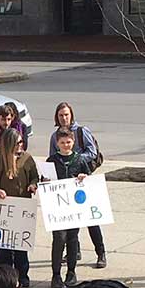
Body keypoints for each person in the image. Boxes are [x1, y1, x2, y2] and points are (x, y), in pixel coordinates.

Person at [49, 101, 106, 268]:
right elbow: (52, 157)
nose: (64, 118)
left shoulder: (81, 131)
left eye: (66, 114)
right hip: (64, 185)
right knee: (69, 221)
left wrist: (76, 159)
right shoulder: (55, 136)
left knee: (90, 219)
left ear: (71, 115)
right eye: (61, 115)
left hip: (81, 179)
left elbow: (92, 152)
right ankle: (75, 251)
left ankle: (101, 252)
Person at [0, 128, 39, 288]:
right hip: (3, 209)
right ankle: (6, 279)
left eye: (21, 141)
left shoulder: (27, 158)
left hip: (22, 208)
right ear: (9, 143)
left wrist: (33, 185)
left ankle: (23, 276)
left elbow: (35, 176)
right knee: (4, 246)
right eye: (17, 142)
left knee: (21, 246)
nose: (21, 145)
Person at [47, 129, 98, 288]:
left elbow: (88, 180)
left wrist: (84, 178)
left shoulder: (79, 160)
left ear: (73, 142)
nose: (65, 145)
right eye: (62, 143)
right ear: (57, 144)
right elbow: (45, 180)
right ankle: (56, 274)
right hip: (58, 207)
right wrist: (46, 180)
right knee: (59, 239)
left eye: (68, 142)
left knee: (72, 238)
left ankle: (71, 272)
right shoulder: (52, 160)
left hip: (74, 208)